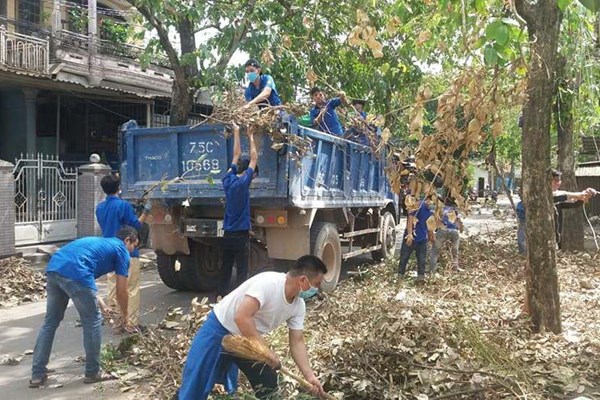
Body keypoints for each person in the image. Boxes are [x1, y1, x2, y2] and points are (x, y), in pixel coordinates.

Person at [176, 255, 328, 400]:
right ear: (303, 280)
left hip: (247, 340)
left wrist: (309, 376)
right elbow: (241, 317)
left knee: (268, 384)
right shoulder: (269, 284)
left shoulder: (298, 306)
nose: (317, 289)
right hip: (219, 330)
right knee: (196, 384)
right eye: (317, 284)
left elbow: (297, 342)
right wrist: (267, 352)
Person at [29, 227, 138, 388]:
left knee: (50, 322)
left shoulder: (102, 243)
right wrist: (126, 317)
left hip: (54, 268)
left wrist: (102, 306)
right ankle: (93, 372)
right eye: (134, 246)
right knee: (92, 322)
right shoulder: (121, 250)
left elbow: (87, 283)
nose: (132, 251)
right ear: (128, 240)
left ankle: (37, 374)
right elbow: (121, 290)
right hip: (76, 272)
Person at [96, 174, 150, 329]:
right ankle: (131, 324)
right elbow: (136, 226)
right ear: (119, 188)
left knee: (113, 288)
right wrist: (145, 212)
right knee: (130, 288)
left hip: (108, 252)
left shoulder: (99, 208)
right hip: (127, 252)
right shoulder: (123, 206)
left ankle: (117, 323)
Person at [219, 124, 259, 297]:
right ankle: (240, 299)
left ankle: (220, 296)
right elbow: (254, 159)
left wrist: (236, 131)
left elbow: (236, 156)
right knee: (242, 271)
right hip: (241, 236)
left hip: (227, 235)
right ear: (250, 175)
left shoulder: (227, 181)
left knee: (225, 269)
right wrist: (250, 135)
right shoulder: (244, 184)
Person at [550, 169, 596, 249]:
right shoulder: (542, 196)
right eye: (554, 181)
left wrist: (585, 195)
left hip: (555, 238)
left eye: (558, 180)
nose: (557, 183)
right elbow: (555, 197)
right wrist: (577, 195)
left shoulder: (560, 195)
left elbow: (573, 203)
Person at [398, 194, 435, 282]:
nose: (432, 203)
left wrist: (431, 239)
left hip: (422, 239)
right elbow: (410, 219)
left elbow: (430, 227)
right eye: (431, 201)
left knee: (422, 260)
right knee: (404, 258)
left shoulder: (432, 211)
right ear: (427, 200)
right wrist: (410, 234)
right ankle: (400, 277)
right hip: (411, 237)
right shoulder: (418, 205)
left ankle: (421, 279)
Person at [428, 198, 464, 273]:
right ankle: (455, 268)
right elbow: (458, 222)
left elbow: (434, 222)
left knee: (435, 252)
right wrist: (460, 229)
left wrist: (431, 234)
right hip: (454, 231)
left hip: (442, 231)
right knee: (455, 251)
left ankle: (432, 271)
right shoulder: (455, 210)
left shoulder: (440, 210)